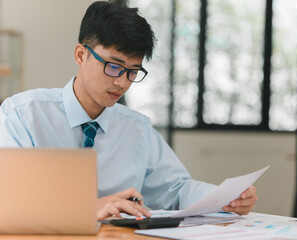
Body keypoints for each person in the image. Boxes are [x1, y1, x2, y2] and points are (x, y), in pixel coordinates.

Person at [0, 0, 257, 220]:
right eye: (114, 66)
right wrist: (88, 208)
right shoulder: (23, 115)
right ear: (80, 55)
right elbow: (8, 196)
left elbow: (176, 190)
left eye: (133, 71)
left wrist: (225, 198)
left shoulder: (137, 128)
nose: (122, 82)